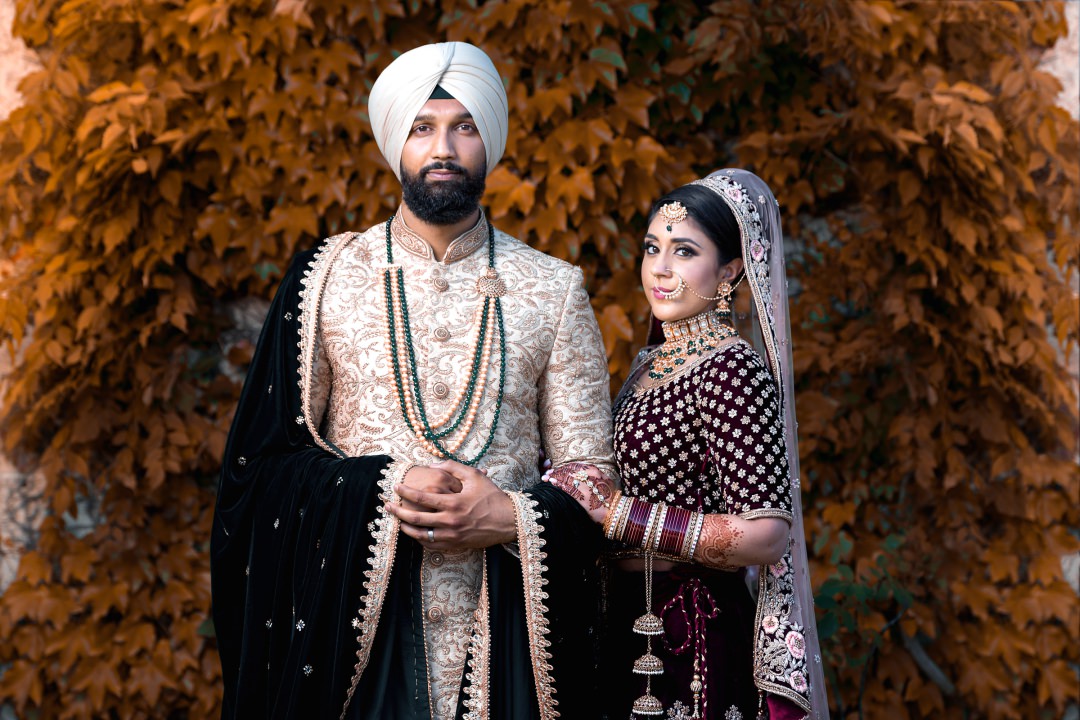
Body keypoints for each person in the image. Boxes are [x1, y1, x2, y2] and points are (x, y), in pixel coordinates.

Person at [211, 42, 617, 720]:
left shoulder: (553, 288)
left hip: (505, 635)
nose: (444, 147)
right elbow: (262, 470)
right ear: (396, 141)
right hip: (351, 626)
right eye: (423, 128)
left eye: (464, 126)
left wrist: (510, 518)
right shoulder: (325, 278)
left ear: (489, 141)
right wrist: (382, 484)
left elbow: (594, 482)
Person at [545, 170, 829, 719]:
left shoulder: (731, 369)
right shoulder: (651, 364)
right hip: (626, 619)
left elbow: (767, 535)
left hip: (692, 631)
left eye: (684, 251)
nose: (660, 267)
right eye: (653, 248)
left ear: (729, 271)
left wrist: (623, 515)